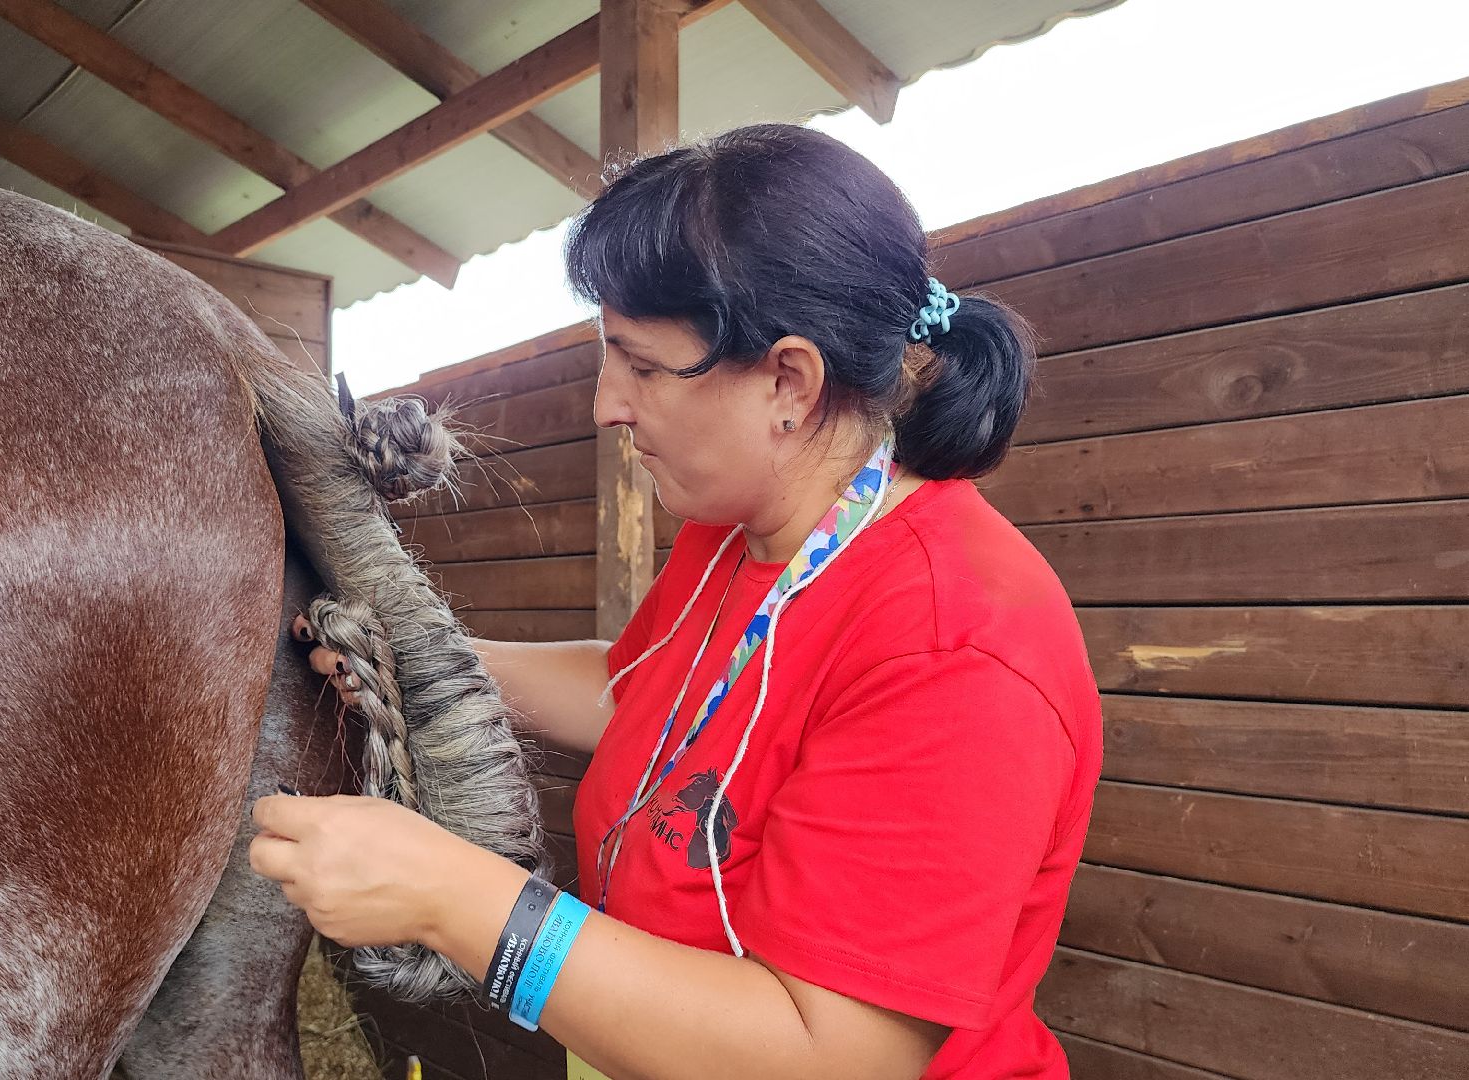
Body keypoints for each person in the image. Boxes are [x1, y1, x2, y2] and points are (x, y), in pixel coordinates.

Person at [249, 123, 1102, 1080]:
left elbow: (835, 1055)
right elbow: (640, 699)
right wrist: (424, 656)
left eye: (644, 365)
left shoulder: (959, 646)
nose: (608, 404)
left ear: (789, 379)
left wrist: (456, 898)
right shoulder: (736, 534)